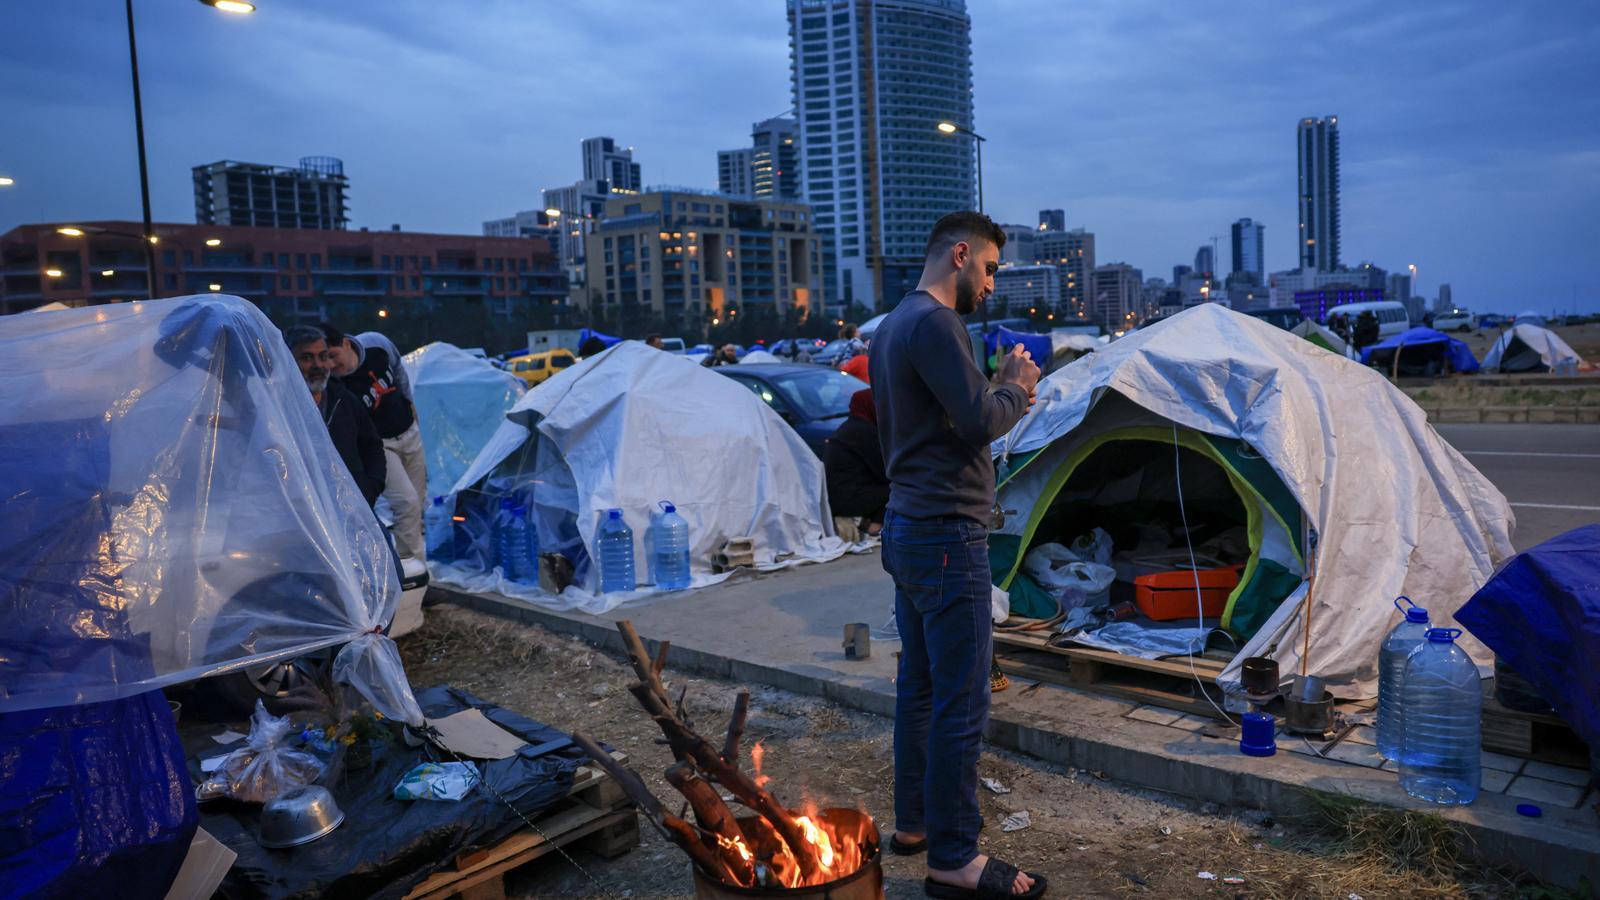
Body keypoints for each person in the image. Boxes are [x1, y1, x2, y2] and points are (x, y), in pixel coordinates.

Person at [868, 210, 1045, 899]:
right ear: (961, 255)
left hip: (909, 529)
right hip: (946, 537)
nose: (993, 285)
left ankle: (914, 824)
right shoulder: (937, 324)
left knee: (920, 688)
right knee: (962, 702)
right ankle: (955, 857)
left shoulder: (892, 325)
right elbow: (979, 420)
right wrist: (1016, 386)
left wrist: (994, 386)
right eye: (992, 268)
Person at [321, 323, 428, 559]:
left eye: (333, 355)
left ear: (346, 344)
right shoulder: (337, 386)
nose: (331, 364)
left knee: (417, 506)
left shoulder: (375, 344)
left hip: (408, 431)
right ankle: (413, 569)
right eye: (326, 358)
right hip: (382, 444)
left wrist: (409, 401)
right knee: (406, 503)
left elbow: (398, 369)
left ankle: (413, 562)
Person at [284, 325, 385, 507]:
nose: (318, 365)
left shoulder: (343, 400)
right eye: (307, 358)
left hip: (351, 508)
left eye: (323, 356)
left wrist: (369, 488)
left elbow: (372, 445)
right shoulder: (278, 405)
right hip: (300, 512)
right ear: (288, 360)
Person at [824, 388, 888, 539]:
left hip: (837, 497)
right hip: (848, 498)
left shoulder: (851, 427)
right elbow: (885, 471)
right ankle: (875, 527)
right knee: (898, 488)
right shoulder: (863, 432)